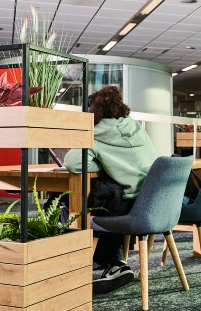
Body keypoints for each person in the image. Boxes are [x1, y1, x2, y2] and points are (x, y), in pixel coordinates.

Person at [63, 86, 157, 294]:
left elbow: (72, 164)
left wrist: (101, 162)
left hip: (127, 210)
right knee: (103, 194)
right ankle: (113, 262)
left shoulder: (94, 133)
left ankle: (106, 263)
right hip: (153, 205)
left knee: (75, 202)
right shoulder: (136, 127)